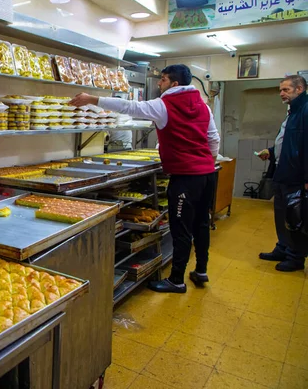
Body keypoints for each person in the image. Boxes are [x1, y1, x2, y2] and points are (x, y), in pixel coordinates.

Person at [70, 64, 220, 293]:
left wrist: (93, 99)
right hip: (207, 175)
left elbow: (130, 107)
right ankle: (201, 270)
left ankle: (176, 280)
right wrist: (205, 162)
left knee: (181, 228)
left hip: (186, 178)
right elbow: (213, 139)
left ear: (174, 84)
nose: (159, 83)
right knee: (201, 223)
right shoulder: (203, 106)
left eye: (163, 79)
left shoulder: (165, 105)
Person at [256, 75, 308, 272]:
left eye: (286, 90)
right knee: (282, 215)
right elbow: (287, 141)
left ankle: (296, 257)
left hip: (296, 177)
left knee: (296, 218)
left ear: (299, 89)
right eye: (281, 90)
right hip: (283, 172)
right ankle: (283, 247)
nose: (281, 94)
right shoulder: (292, 112)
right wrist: (271, 151)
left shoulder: (305, 111)